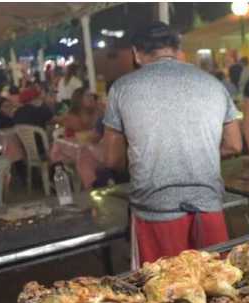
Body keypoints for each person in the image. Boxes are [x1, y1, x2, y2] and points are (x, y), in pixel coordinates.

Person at [103, 22, 242, 266]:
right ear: (177, 50)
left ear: (136, 53)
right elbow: (234, 145)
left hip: (154, 212)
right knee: (215, 292)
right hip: (208, 210)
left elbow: (111, 159)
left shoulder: (122, 88)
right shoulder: (214, 84)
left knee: (162, 296)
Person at [13, 85, 58, 157]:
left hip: (24, 150)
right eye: (39, 96)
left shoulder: (17, 112)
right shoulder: (40, 109)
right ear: (35, 98)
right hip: (42, 148)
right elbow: (56, 120)